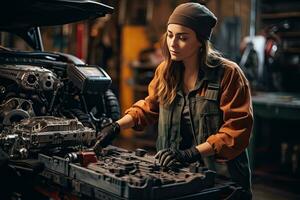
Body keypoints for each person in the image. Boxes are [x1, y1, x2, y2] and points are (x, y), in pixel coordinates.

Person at [95, 3, 253, 199]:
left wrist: (191, 153)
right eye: (170, 35)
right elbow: (148, 107)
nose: (173, 44)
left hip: (222, 180)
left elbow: (235, 131)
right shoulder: (166, 71)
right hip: (177, 176)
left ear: (200, 41)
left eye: (183, 37)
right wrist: (116, 126)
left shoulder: (228, 74)